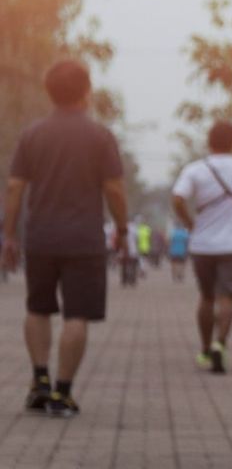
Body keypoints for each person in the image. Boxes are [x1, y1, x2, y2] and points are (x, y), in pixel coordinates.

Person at [2, 59, 128, 417]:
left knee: (37, 306)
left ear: (49, 92)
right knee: (77, 314)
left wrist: (9, 236)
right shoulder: (100, 136)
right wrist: (121, 230)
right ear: (87, 91)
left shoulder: (32, 134)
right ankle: (63, 392)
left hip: (40, 236)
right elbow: (114, 190)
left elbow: (14, 187)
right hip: (84, 240)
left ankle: (39, 379)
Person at [171, 121, 232, 374]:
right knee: (227, 298)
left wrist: (189, 221)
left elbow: (178, 198)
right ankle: (220, 343)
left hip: (202, 244)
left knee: (206, 297)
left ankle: (204, 348)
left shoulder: (195, 169)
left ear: (209, 141)